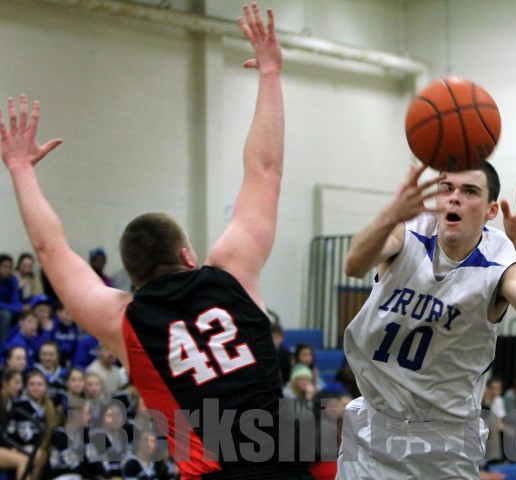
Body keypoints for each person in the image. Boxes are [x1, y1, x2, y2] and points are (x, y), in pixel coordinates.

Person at [0, 4, 310, 479]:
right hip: (287, 462)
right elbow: (265, 171)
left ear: (133, 277)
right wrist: (270, 73)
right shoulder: (231, 271)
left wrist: (21, 169)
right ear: (186, 254)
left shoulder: (125, 320)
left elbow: (51, 250)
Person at [337, 162, 516, 479]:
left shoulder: (500, 259)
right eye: (447, 188)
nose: (455, 197)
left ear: (491, 210)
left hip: (445, 443)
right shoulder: (409, 230)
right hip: (373, 429)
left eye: (469, 191)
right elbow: (353, 266)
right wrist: (390, 215)